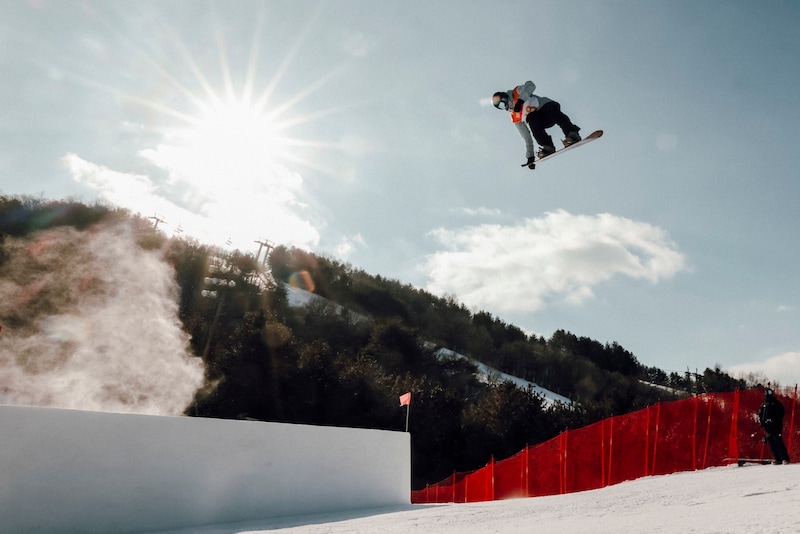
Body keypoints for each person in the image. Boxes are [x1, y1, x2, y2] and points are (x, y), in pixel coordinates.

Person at [492, 81, 581, 169]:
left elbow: (531, 85)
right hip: (540, 120)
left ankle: (572, 133)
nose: (506, 106)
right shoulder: (515, 117)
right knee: (531, 118)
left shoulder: (516, 92)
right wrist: (530, 156)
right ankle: (548, 146)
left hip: (546, 106)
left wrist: (520, 100)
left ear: (505, 97)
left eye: (503, 102)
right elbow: (527, 137)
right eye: (501, 107)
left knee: (551, 112)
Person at [758, 388, 790, 464]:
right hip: (768, 428)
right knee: (771, 443)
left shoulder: (776, 404)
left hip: (776, 427)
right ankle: (777, 458)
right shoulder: (764, 405)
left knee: (778, 442)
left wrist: (773, 420)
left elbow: (781, 414)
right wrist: (763, 422)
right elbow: (760, 414)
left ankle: (785, 458)